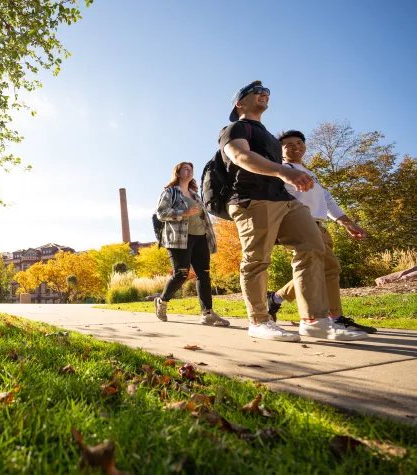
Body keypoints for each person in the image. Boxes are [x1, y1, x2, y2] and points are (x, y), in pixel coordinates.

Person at [220, 80, 367, 341]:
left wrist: (345, 220)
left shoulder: (267, 136)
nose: (264, 94)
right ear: (239, 103)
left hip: (284, 201)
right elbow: (241, 157)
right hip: (251, 198)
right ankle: (259, 320)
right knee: (257, 260)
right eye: (256, 92)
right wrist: (282, 170)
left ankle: (314, 320)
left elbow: (323, 196)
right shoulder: (235, 128)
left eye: (267, 91)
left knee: (312, 247)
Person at [266, 130, 377, 333]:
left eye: (299, 142)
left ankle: (275, 298)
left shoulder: (311, 174)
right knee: (325, 269)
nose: (296, 146)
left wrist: (347, 223)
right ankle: (333, 318)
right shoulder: (281, 171)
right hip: (301, 224)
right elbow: (277, 201)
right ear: (280, 150)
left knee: (322, 270)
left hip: (320, 226)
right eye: (288, 144)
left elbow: (327, 200)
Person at [154, 162, 230, 326]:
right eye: (185, 169)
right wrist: (183, 213)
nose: (189, 171)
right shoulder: (170, 192)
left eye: (191, 169)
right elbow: (160, 213)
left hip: (200, 237)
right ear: (178, 173)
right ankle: (162, 301)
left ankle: (207, 313)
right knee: (181, 274)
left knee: (204, 275)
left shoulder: (195, 195)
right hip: (180, 239)